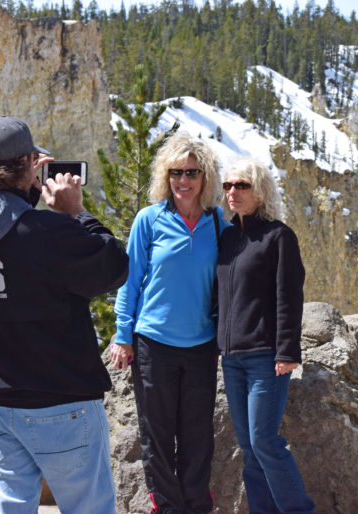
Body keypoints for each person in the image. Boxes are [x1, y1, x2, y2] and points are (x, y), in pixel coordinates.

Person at [0, 116, 128, 513]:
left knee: (9, 506)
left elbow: (2, 233)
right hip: (59, 400)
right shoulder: (50, 233)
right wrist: (75, 214)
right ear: (28, 165)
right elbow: (113, 267)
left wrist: (28, 199)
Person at [109, 131, 228, 514]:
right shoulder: (149, 219)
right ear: (166, 175)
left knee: (197, 436)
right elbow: (130, 280)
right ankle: (167, 507)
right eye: (176, 172)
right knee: (157, 437)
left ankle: (196, 506)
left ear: (205, 177)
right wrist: (122, 335)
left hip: (200, 345)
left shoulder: (218, 223)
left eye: (192, 173)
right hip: (152, 345)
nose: (183, 181)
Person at [216, 158, 315, 514]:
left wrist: (287, 351)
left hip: (265, 358)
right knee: (248, 446)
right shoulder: (227, 237)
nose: (232, 193)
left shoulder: (279, 236)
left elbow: (290, 297)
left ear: (259, 191)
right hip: (231, 359)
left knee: (265, 442)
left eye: (241, 186)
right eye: (228, 186)